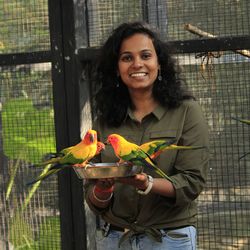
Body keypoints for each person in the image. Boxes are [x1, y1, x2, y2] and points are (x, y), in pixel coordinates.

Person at [84, 21, 209, 250]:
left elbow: (192, 183)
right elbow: (93, 197)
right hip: (114, 239)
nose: (137, 64)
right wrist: (102, 189)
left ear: (159, 63)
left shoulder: (186, 112)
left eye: (145, 55)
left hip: (169, 240)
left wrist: (147, 183)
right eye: (127, 58)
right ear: (117, 68)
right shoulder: (104, 122)